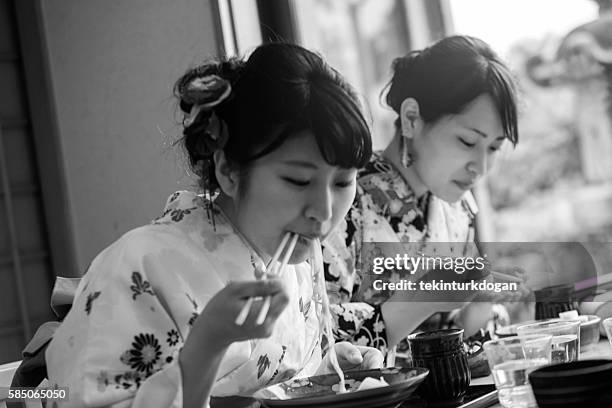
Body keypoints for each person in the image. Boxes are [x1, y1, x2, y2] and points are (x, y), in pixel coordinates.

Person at [45, 43, 382, 408]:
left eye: (343, 183)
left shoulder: (293, 263)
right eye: (299, 181)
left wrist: (326, 372)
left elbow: (277, 382)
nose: (324, 210)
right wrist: (205, 347)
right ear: (229, 171)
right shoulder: (139, 267)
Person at [323, 35, 520, 353]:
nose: (480, 167)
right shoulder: (342, 198)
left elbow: (449, 331)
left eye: (494, 147)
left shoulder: (457, 209)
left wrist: (480, 304)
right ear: (412, 119)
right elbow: (313, 332)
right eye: (468, 142)